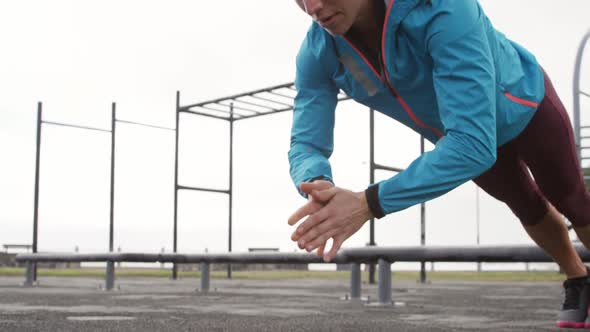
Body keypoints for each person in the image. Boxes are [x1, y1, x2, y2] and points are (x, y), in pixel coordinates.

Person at [286, 0, 590, 328]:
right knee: (525, 206)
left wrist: (367, 202)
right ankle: (578, 279)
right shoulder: (318, 52)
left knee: (571, 199)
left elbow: (473, 145)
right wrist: (315, 183)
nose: (313, 6)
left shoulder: (442, 7)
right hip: (458, 133)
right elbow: (305, 144)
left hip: (522, 104)